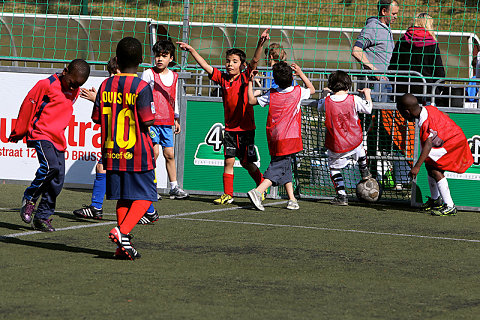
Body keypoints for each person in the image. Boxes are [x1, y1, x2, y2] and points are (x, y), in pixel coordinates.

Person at [177, 29, 270, 205]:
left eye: (234, 62)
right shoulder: (223, 78)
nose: (230, 64)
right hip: (229, 130)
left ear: (242, 65)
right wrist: (192, 50)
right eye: (228, 61)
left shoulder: (245, 77)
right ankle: (228, 194)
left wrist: (260, 43)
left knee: (247, 163)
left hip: (246, 130)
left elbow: (255, 60)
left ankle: (261, 187)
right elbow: (205, 66)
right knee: (228, 162)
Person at [92, 37, 157, 260]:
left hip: (111, 151)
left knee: (124, 198)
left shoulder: (104, 85)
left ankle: (122, 247)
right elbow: (148, 121)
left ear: (117, 60)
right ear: (141, 60)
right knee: (147, 196)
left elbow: (96, 118)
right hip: (137, 151)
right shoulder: (141, 86)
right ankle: (122, 231)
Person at [8, 59, 90, 231]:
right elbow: (28, 105)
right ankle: (30, 198)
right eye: (72, 83)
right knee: (50, 167)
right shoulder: (46, 85)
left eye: (78, 85)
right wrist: (19, 131)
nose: (74, 88)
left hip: (58, 139)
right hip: (41, 134)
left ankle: (42, 217)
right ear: (66, 71)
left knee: (58, 180)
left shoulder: (74, 91)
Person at [246, 61, 315, 210]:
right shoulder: (297, 91)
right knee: (279, 166)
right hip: (290, 138)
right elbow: (312, 89)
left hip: (274, 136)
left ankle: (292, 199)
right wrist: (301, 73)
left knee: (285, 165)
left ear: (275, 80)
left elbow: (251, 100)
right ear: (291, 77)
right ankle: (258, 192)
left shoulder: (271, 93)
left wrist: (250, 82)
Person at [396, 93, 474, 216]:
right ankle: (436, 200)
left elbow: (428, 146)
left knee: (435, 170)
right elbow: (445, 115)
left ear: (406, 112)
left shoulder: (425, 122)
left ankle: (449, 206)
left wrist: (416, 167)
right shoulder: (429, 108)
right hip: (451, 139)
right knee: (430, 165)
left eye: (401, 113)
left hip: (453, 143)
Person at [141, 39, 189, 201]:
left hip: (167, 122)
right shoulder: (149, 74)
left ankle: (174, 187)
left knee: (169, 154)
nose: (160, 59)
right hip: (152, 122)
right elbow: (141, 95)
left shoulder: (174, 76)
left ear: (171, 58)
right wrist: (144, 119)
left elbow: (173, 98)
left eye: (164, 56)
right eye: (157, 56)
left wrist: (176, 119)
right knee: (153, 153)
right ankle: (150, 187)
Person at [318, 70, 373, 206]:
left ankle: (342, 195)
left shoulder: (327, 101)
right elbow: (368, 109)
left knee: (334, 168)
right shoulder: (354, 99)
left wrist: (325, 94)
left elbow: (320, 107)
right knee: (360, 149)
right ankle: (364, 169)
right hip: (354, 140)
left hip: (337, 144)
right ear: (348, 85)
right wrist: (367, 94)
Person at [389, 12, 446, 103]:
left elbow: (392, 68)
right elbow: (439, 72)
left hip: (402, 93)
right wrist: (438, 89)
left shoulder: (401, 42)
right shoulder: (432, 44)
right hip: (426, 93)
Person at [352, 0, 399, 103]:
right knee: (375, 115)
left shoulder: (386, 28)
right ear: (383, 11)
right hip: (375, 84)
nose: (396, 17)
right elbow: (356, 51)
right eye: (393, 14)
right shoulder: (372, 28)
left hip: (385, 83)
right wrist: (374, 70)